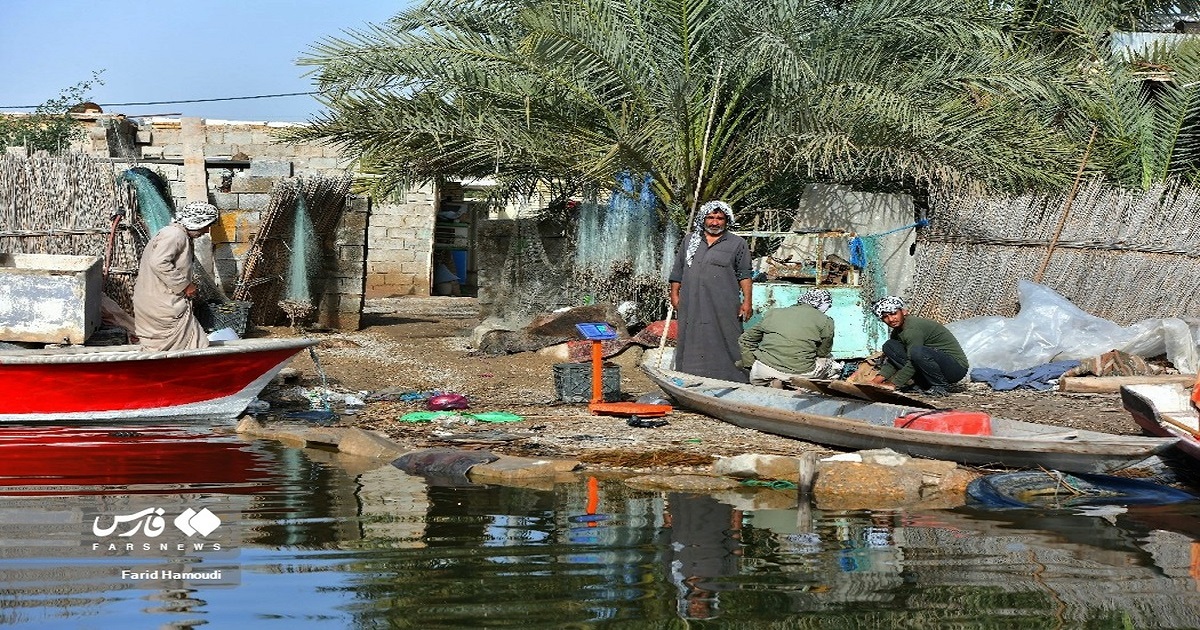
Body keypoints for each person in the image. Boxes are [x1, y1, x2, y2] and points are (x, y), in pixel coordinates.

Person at [668, 200, 753, 383]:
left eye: (720, 218)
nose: (715, 222)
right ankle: (688, 377)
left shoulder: (737, 244)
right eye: (711, 217)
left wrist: (747, 301)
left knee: (727, 336)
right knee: (691, 335)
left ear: (726, 220)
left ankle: (732, 379)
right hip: (691, 300)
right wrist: (675, 294)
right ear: (703, 219)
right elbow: (678, 270)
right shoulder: (690, 240)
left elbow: (745, 274)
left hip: (723, 302)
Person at [132, 201, 219, 351]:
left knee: (190, 343)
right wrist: (185, 285)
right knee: (192, 344)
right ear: (197, 222)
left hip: (161, 300)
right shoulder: (175, 235)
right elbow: (159, 262)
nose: (206, 231)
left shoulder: (177, 234)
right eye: (206, 226)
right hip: (161, 304)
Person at [737, 289, 843, 386]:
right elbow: (822, 353)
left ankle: (774, 382)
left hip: (762, 372)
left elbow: (745, 339)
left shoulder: (774, 313)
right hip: (801, 374)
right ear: (824, 305)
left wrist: (751, 365)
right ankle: (815, 392)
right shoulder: (826, 321)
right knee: (831, 363)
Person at [868, 296, 968, 397]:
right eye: (885, 317)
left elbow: (913, 359)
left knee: (917, 352)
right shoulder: (897, 332)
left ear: (904, 311)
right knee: (889, 346)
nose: (891, 319)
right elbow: (893, 360)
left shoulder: (912, 329)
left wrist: (894, 384)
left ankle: (940, 386)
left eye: (894, 313)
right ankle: (924, 384)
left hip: (955, 368)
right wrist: (876, 381)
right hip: (934, 365)